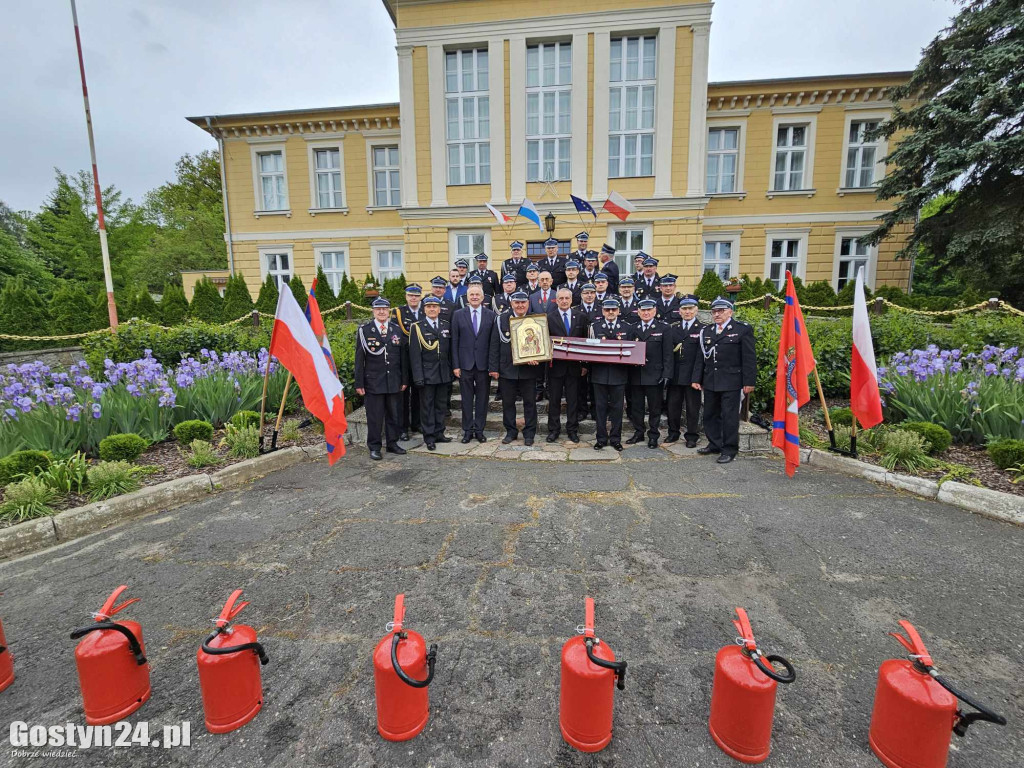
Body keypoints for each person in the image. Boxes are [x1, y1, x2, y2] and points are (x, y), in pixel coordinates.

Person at [692, 296, 757, 464]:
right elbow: (701, 357)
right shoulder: (707, 331)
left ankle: (729, 449)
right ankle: (714, 443)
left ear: (730, 311)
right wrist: (696, 378)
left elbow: (749, 358)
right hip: (711, 380)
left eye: (721, 311)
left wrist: (749, 382)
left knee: (729, 417)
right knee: (710, 414)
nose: (717, 314)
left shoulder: (742, 329)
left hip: (732, 381)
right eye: (714, 311)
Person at [354, 298, 408, 460]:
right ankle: (375, 446)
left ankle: (392, 443)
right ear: (373, 311)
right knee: (375, 416)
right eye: (378, 309)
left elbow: (402, 358)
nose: (382, 312)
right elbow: (359, 359)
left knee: (394, 415)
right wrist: (359, 382)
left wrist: (404, 380)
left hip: (393, 381)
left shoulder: (396, 330)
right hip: (373, 382)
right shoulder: (365, 331)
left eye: (385, 309)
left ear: (389, 310)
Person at [489, 291, 540, 445]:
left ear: (528, 304)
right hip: (506, 369)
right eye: (517, 302)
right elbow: (494, 345)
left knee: (530, 403)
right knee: (508, 403)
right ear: (511, 303)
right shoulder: (501, 319)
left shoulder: (535, 320)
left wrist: (537, 359)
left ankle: (529, 434)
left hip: (528, 370)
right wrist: (494, 368)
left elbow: (540, 345)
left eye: (523, 302)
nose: (520, 305)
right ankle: (511, 432)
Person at [451, 284, 497, 443]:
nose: (475, 297)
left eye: (478, 294)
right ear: (467, 298)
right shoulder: (458, 315)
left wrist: (493, 366)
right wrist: (456, 365)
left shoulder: (491, 315)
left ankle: (479, 430)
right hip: (465, 365)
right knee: (466, 399)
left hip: (484, 366)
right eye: (472, 295)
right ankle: (467, 431)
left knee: (483, 400)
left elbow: (493, 343)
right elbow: (454, 342)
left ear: (483, 297)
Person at [626, 298, 674, 448]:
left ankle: (653, 435)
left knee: (654, 408)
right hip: (636, 375)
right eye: (643, 310)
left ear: (654, 311)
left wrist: (667, 374)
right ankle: (639, 432)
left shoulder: (664, 328)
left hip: (655, 376)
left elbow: (668, 354)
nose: (646, 313)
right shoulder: (632, 328)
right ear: (638, 312)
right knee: (636, 407)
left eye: (649, 310)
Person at [409, 296, 454, 451]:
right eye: (429, 307)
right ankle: (429, 437)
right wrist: (418, 377)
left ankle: (439, 433)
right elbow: (414, 356)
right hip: (427, 375)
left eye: (435, 306)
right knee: (427, 407)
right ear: (424, 309)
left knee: (441, 406)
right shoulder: (417, 327)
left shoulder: (445, 325)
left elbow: (449, 352)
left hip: (443, 373)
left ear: (439, 309)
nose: (432, 309)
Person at [588, 299, 633, 451]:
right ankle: (601, 439)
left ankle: (615, 438)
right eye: (607, 310)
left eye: (613, 309)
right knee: (599, 408)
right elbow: (590, 351)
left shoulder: (627, 328)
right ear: (603, 311)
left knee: (617, 409)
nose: (611, 312)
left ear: (618, 311)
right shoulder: (594, 327)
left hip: (619, 374)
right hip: (599, 374)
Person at [546, 287, 589, 443]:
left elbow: (585, 343)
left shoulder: (581, 317)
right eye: (561, 298)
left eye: (566, 298)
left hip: (574, 368)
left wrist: (585, 365)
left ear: (571, 300)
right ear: (556, 300)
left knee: (573, 400)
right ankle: (554, 430)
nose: (564, 301)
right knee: (554, 401)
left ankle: (572, 430)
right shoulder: (549, 318)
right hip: (555, 367)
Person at [665, 294, 704, 447]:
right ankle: (673, 433)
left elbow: (701, 357)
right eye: (684, 309)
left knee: (692, 408)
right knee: (672, 406)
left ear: (696, 310)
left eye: (690, 308)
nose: (687, 312)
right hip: (675, 375)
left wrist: (698, 378)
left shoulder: (702, 329)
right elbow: (668, 353)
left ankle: (692, 436)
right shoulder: (673, 329)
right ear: (679, 311)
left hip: (692, 376)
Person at [393, 283, 424, 440]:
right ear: (406, 296)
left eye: (416, 295)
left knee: (419, 394)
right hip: (403, 360)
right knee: (403, 396)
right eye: (411, 295)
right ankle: (403, 428)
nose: (414, 298)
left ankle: (417, 423)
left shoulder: (425, 310)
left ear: (420, 297)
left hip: (420, 360)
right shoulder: (398, 312)